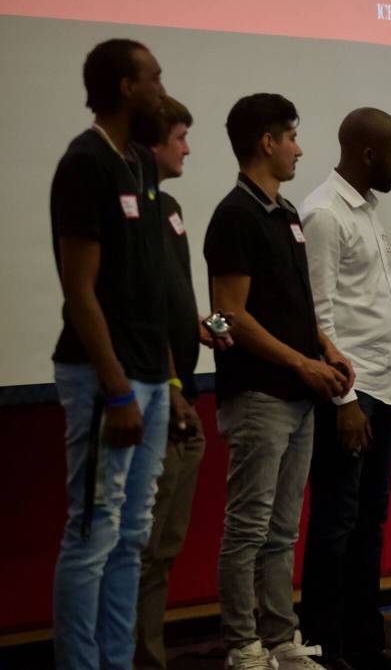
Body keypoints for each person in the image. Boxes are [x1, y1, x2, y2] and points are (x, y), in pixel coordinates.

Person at [204, 93, 353, 670]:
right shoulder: (234, 215)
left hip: (299, 395)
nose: (298, 147)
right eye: (291, 136)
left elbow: (298, 302)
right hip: (259, 395)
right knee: (248, 527)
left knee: (283, 529)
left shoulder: (287, 213)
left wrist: (327, 347)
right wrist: (299, 362)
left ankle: (280, 641)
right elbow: (229, 315)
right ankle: (243, 646)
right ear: (266, 142)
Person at [49, 38, 169, 670]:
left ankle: (116, 661)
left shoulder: (141, 164)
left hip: (150, 375)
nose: (160, 88)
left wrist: (167, 382)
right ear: (126, 86)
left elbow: (149, 285)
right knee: (93, 532)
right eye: (154, 77)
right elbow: (80, 292)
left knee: (131, 537)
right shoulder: (85, 163)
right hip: (105, 380)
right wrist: (118, 388)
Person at [299, 108, 391, 670]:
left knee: (369, 522)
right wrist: (344, 400)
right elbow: (318, 315)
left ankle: (365, 646)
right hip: (349, 394)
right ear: (369, 154)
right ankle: (324, 648)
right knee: (336, 523)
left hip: (383, 383)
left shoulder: (366, 209)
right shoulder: (325, 213)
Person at [134, 95, 232, 670]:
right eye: (179, 137)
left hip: (180, 394)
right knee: (140, 547)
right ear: (153, 143)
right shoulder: (130, 209)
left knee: (164, 548)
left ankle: (150, 653)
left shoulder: (169, 206)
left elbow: (178, 306)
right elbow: (143, 309)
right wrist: (171, 388)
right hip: (158, 399)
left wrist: (217, 325)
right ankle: (134, 654)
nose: (188, 148)